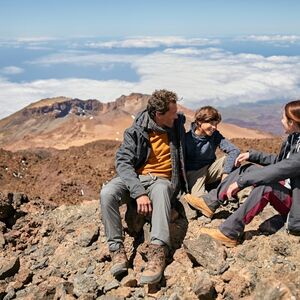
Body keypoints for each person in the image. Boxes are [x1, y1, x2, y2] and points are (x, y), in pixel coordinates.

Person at [100, 89, 188, 284]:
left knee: (163, 189)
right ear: (158, 114)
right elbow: (123, 162)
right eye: (172, 113)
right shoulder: (136, 131)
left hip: (160, 181)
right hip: (137, 178)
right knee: (107, 193)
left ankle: (158, 252)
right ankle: (117, 250)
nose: (177, 115)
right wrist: (139, 193)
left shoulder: (177, 125)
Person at [196, 100, 300, 247]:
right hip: (290, 191)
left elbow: (280, 169)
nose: (280, 121)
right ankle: (210, 202)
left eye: (283, 118)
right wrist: (252, 155)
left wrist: (241, 182)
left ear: (292, 122)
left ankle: (229, 232)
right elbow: (280, 161)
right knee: (249, 168)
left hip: (296, 203)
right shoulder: (294, 138)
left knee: (266, 187)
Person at [183, 106, 240, 217]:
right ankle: (210, 201)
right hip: (194, 174)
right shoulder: (186, 139)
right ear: (199, 122)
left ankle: (242, 198)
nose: (214, 127)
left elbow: (234, 150)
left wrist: (226, 172)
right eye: (211, 124)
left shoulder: (215, 135)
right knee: (199, 201)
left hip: (210, 169)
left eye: (216, 124)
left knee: (234, 160)